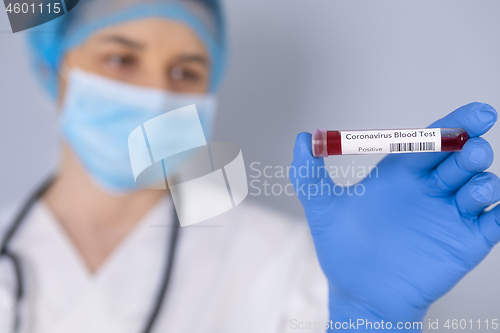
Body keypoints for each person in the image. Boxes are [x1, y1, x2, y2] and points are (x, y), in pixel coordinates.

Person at [1, 0, 499, 332]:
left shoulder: (288, 262)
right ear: (56, 72)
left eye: (185, 72)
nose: (157, 92)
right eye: (119, 60)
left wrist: (369, 319)